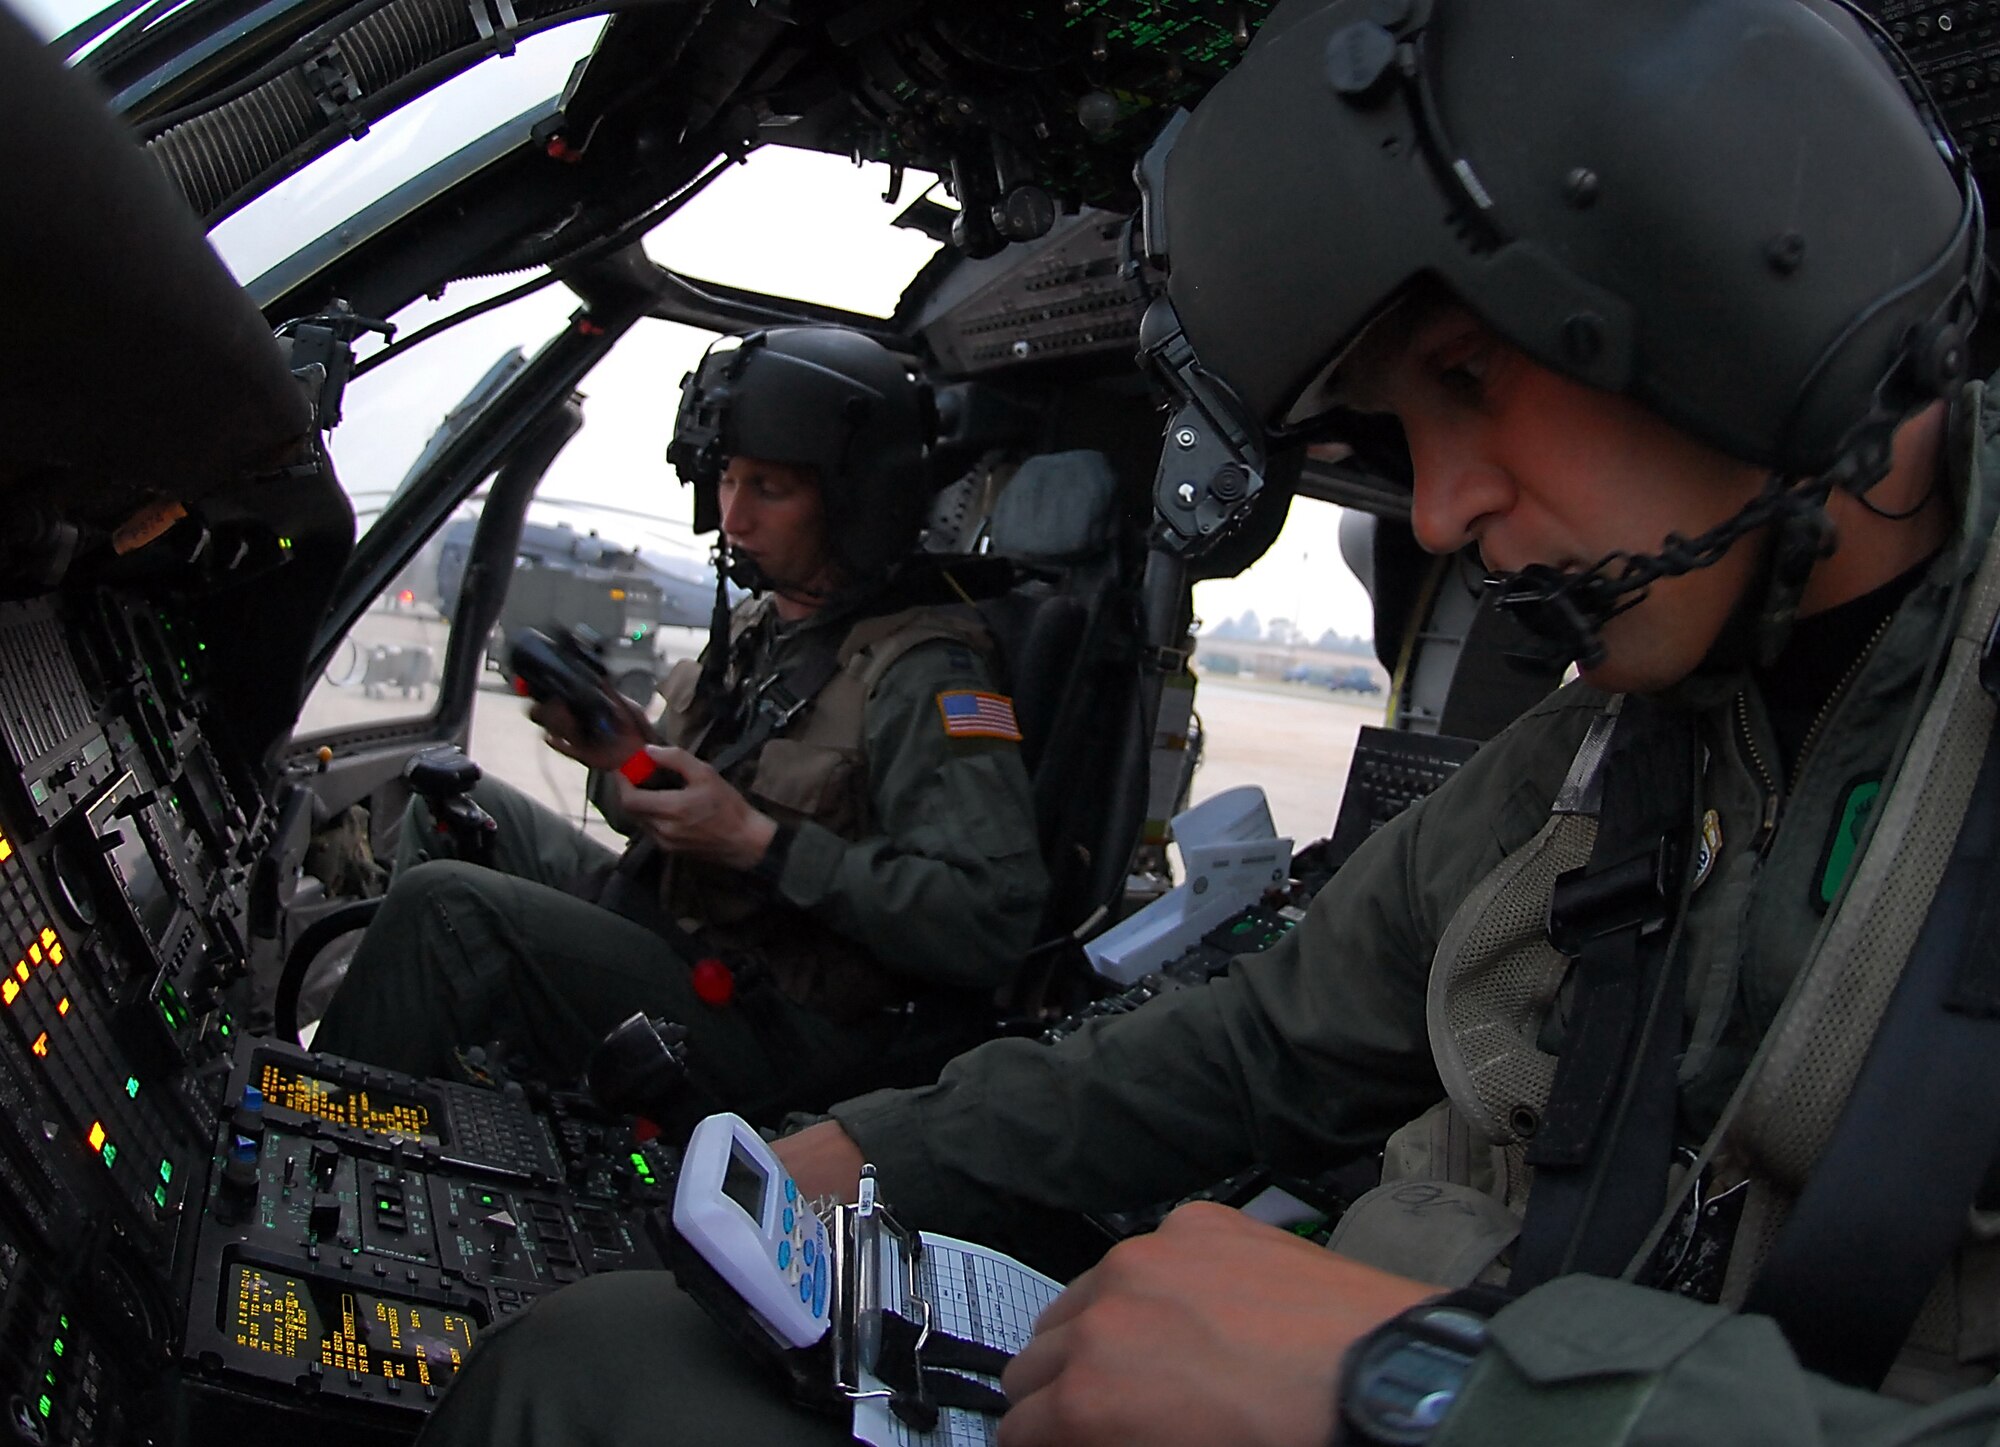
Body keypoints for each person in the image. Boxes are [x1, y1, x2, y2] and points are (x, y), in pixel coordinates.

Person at [415, 0, 2000, 1442]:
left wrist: (1417, 1384)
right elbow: (1256, 1041)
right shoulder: (1606, 755)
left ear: (1737, 266)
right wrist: (860, 1154)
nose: (1437, 510)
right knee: (613, 1346)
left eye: (1468, 379)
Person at [313, 325, 1048, 1124]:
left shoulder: (924, 674)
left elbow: (991, 920)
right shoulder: (766, 630)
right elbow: (677, 813)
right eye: (728, 480)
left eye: (769, 489)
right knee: (450, 800)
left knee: (444, 908)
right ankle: (427, 1113)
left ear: (853, 499)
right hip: (684, 937)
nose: (733, 517)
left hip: (786, 1023)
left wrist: (763, 847)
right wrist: (624, 760)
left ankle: (311, 1146)